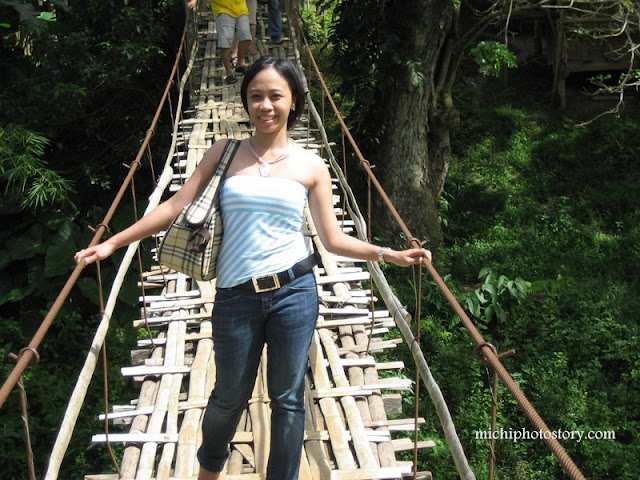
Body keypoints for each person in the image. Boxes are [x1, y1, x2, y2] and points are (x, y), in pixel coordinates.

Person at [75, 56, 432, 480]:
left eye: (275, 96)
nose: (265, 105)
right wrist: (113, 242)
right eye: (256, 96)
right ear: (246, 101)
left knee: (288, 399)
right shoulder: (224, 152)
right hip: (236, 296)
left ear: (294, 101)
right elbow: (175, 205)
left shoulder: (311, 165)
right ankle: (209, 470)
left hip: (294, 292)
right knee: (228, 397)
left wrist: (388, 254)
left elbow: (333, 239)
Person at [188, 0, 252, 84]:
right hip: (222, 9)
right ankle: (229, 73)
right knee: (225, 43)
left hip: (241, 8)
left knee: (246, 38)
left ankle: (239, 64)